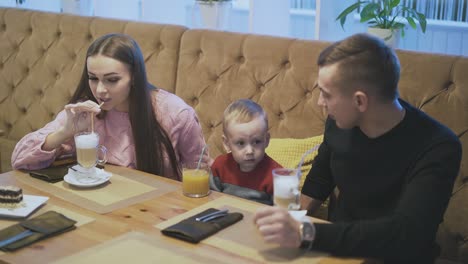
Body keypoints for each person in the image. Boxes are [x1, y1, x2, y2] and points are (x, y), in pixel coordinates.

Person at [253, 33, 462, 263]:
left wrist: (306, 232)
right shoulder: (340, 121)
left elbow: (406, 233)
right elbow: (318, 184)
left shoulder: (439, 146)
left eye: (326, 94)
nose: (320, 103)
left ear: (360, 101)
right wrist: (285, 225)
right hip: (336, 251)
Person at [11, 33, 206, 181]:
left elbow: (201, 172)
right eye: (93, 78)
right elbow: (19, 160)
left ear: (135, 77)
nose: (100, 90)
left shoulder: (176, 113)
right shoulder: (84, 111)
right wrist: (64, 132)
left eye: (112, 80)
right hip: (98, 206)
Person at [210, 99, 282, 205]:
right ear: (226, 143)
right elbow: (210, 199)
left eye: (257, 142)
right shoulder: (219, 166)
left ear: (266, 140)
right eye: (240, 143)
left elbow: (283, 214)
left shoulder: (277, 176)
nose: (249, 151)